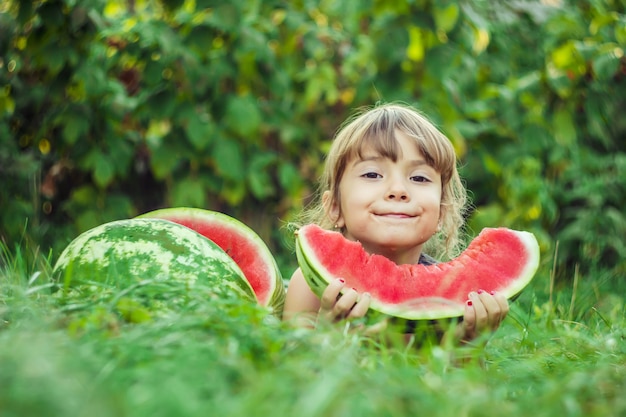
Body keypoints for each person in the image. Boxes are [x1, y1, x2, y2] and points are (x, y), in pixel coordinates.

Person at [283, 102, 509, 344]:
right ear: (335, 207)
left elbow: (455, 381)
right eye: (372, 174)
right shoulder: (310, 288)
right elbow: (294, 373)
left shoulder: (450, 303)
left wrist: (466, 344)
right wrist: (328, 338)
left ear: (442, 213)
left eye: (419, 178)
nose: (398, 190)